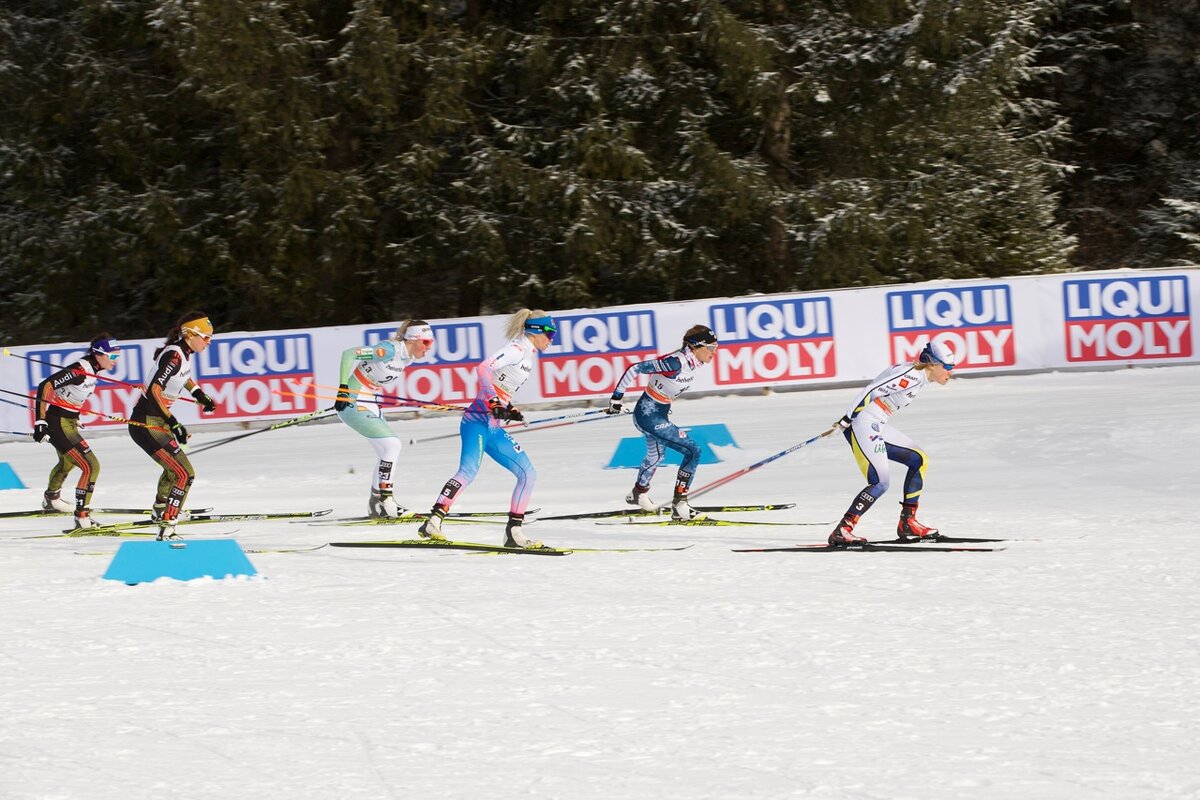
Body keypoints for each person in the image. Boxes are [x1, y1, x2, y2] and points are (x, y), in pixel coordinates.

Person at [417, 309, 556, 549]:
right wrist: (493, 402)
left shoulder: (528, 354)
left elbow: (500, 386)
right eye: (550, 333)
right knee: (468, 472)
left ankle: (514, 532)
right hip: (476, 422)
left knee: (528, 474)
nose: (552, 339)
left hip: (492, 426)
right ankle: (433, 521)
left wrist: (508, 408)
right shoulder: (516, 350)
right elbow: (483, 369)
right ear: (537, 330)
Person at [827, 340, 956, 547]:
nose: (950, 372)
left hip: (876, 423)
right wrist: (846, 420)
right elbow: (871, 391)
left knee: (919, 460)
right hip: (864, 424)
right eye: (948, 367)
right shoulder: (911, 375)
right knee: (880, 483)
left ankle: (908, 523)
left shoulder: (918, 375)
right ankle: (843, 529)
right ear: (933, 364)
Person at [603, 325, 719, 521]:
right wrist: (616, 399)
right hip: (648, 416)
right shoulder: (675, 363)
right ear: (695, 346)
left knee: (656, 455)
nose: (714, 353)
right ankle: (680, 506)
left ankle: (639, 493)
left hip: (658, 414)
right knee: (693, 451)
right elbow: (635, 368)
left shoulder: (691, 362)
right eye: (711, 348)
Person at [128, 312, 217, 540]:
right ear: (190, 335)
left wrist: (199, 394)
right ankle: (168, 526)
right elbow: (154, 390)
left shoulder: (183, 354)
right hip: (147, 423)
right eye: (205, 337)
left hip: (156, 421)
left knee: (174, 469)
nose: (209, 342)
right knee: (184, 474)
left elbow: (183, 377)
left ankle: (160, 510)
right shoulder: (174, 356)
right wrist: (173, 422)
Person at [333, 320, 435, 518]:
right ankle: (386, 501)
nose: (429, 347)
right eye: (426, 342)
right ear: (413, 340)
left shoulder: (408, 357)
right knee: (392, 445)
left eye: (431, 342)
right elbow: (349, 354)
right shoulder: (388, 350)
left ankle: (376, 504)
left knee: (385, 450)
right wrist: (343, 389)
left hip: (369, 401)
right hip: (353, 402)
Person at [33, 335, 122, 528]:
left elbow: (70, 395)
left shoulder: (94, 369)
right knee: (91, 466)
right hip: (58, 423)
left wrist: (75, 415)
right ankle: (82, 518)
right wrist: (40, 421)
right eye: (113, 357)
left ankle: (52, 499)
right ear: (99, 354)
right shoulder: (80, 370)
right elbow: (46, 385)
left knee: (67, 461)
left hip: (67, 420)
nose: (116, 361)